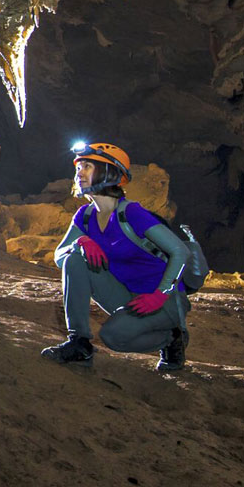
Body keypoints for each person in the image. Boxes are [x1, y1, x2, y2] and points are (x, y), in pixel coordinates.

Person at [40, 141, 191, 371]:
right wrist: (81, 241)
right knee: (74, 258)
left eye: (88, 167)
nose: (79, 174)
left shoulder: (131, 214)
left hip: (163, 301)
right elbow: (60, 256)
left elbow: (181, 252)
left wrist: (159, 296)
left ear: (110, 173)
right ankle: (79, 343)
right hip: (124, 294)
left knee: (113, 337)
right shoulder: (86, 216)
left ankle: (172, 338)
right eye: (78, 168)